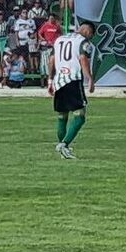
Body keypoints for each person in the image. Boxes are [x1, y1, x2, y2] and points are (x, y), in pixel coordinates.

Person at [49, 20, 95, 159]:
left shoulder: (59, 39)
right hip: (73, 79)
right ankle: (64, 145)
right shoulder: (83, 42)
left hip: (59, 81)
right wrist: (90, 78)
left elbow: (51, 60)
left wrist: (50, 80)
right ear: (88, 31)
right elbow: (82, 58)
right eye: (91, 35)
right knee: (80, 115)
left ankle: (62, 148)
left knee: (62, 116)